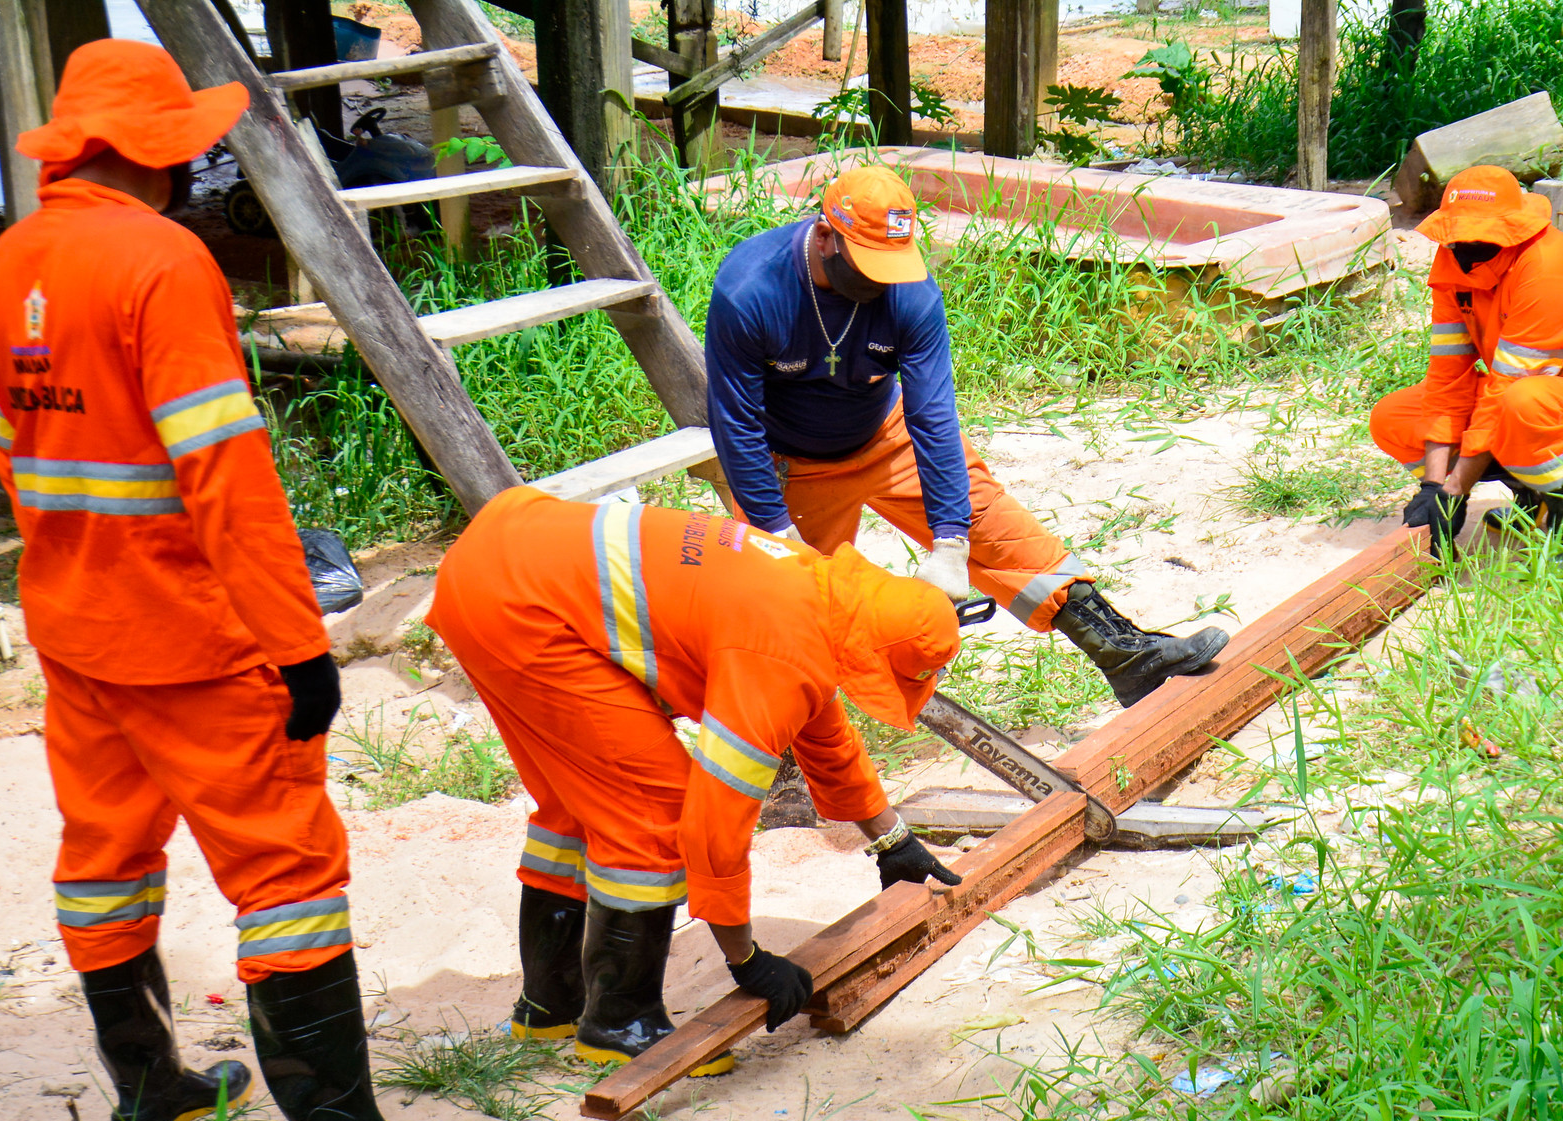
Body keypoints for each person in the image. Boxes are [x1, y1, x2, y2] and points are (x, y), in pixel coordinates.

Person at [0, 40, 477, 1121]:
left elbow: (19, 457)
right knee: (288, 871)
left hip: (74, 625)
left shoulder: (7, 262)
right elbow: (227, 481)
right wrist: (298, 645)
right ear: (149, 150)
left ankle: (147, 1087)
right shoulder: (162, 261)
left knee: (103, 859)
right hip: (191, 638)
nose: (200, 161)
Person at [426, 487, 967, 1066]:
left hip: (500, 559)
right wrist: (746, 958)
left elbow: (824, 735)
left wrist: (892, 841)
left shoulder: (819, 591)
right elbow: (715, 823)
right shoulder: (778, 656)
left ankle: (551, 1003)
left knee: (580, 802)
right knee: (654, 808)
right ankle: (619, 1022)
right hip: (521, 609)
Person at [703, 163, 1227, 709]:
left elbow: (933, 415)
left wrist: (951, 540)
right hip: (793, 461)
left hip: (888, 434)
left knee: (1006, 534)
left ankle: (1126, 656)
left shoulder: (910, 292)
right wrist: (776, 530)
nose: (882, 280)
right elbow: (735, 424)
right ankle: (789, 746)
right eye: (869, 264)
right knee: (786, 609)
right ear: (828, 235)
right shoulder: (752, 288)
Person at [1369, 165, 1563, 569]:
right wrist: (1432, 487)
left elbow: (1508, 386)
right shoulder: (1454, 261)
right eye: (1458, 237)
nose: (1466, 246)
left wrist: (1456, 490)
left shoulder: (1547, 270)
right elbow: (1448, 377)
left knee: (1522, 403)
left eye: (1481, 237)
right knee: (1394, 417)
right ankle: (1530, 499)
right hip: (1530, 395)